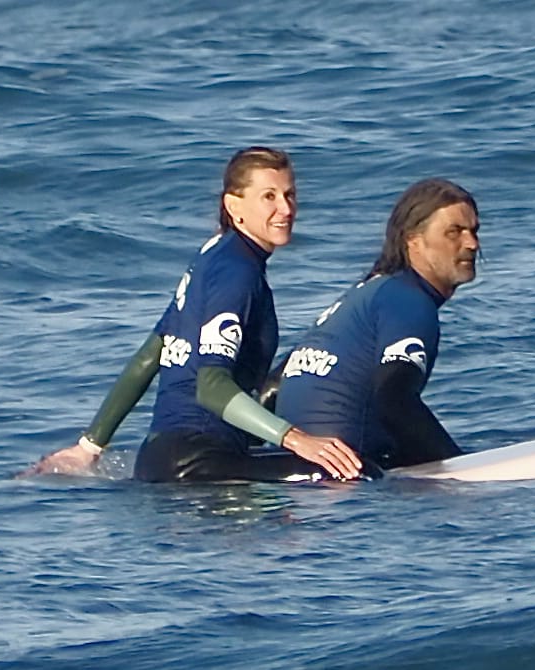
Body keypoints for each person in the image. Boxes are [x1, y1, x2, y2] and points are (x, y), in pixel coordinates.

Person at [25, 147, 363, 482]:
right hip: (197, 461)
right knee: (350, 475)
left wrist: (89, 447)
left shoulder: (213, 255)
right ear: (234, 206)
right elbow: (211, 387)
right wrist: (297, 439)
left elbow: (151, 354)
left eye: (290, 195)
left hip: (162, 458)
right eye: (269, 197)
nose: (285, 209)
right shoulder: (237, 273)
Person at [272, 177, 480, 470]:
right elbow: (394, 401)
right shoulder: (410, 303)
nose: (472, 243)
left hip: (294, 469)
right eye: (454, 232)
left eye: (474, 230)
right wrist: (464, 471)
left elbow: (271, 387)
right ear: (413, 240)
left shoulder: (367, 294)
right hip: (342, 484)